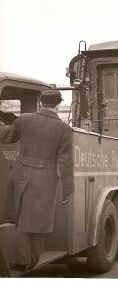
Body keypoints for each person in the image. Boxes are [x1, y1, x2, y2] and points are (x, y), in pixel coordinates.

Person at [0, 89, 74, 270]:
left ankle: (21, 260)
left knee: (21, 217)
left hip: (20, 174)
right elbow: (66, 163)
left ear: (41, 103)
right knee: (38, 222)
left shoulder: (23, 120)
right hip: (45, 179)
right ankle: (30, 260)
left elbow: (6, 136)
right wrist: (67, 189)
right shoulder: (64, 129)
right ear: (58, 105)